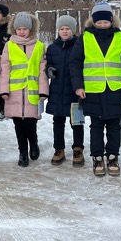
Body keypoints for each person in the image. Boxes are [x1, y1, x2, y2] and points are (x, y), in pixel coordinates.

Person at [70, 3, 121, 177]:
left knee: (115, 125)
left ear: (111, 21)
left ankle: (113, 156)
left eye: (105, 22)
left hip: (116, 90)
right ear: (93, 21)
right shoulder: (84, 38)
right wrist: (78, 86)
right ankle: (97, 157)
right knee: (96, 126)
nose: (102, 25)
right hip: (93, 90)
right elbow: (75, 63)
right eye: (98, 22)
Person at [0, 12, 49, 168]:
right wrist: (4, 90)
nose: (22, 31)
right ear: (14, 29)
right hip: (14, 92)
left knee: (30, 124)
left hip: (32, 92)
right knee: (18, 126)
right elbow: (5, 69)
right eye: (19, 28)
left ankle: (33, 144)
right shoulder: (9, 45)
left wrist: (43, 90)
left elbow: (42, 70)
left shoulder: (39, 46)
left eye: (25, 29)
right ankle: (22, 152)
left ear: (31, 29)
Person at [45, 14, 85, 168]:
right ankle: (59, 149)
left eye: (67, 28)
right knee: (58, 121)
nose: (64, 31)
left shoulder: (79, 46)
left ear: (73, 30)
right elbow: (47, 64)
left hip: (74, 91)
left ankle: (77, 149)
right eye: (62, 29)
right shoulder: (52, 47)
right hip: (57, 92)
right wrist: (49, 70)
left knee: (77, 121)